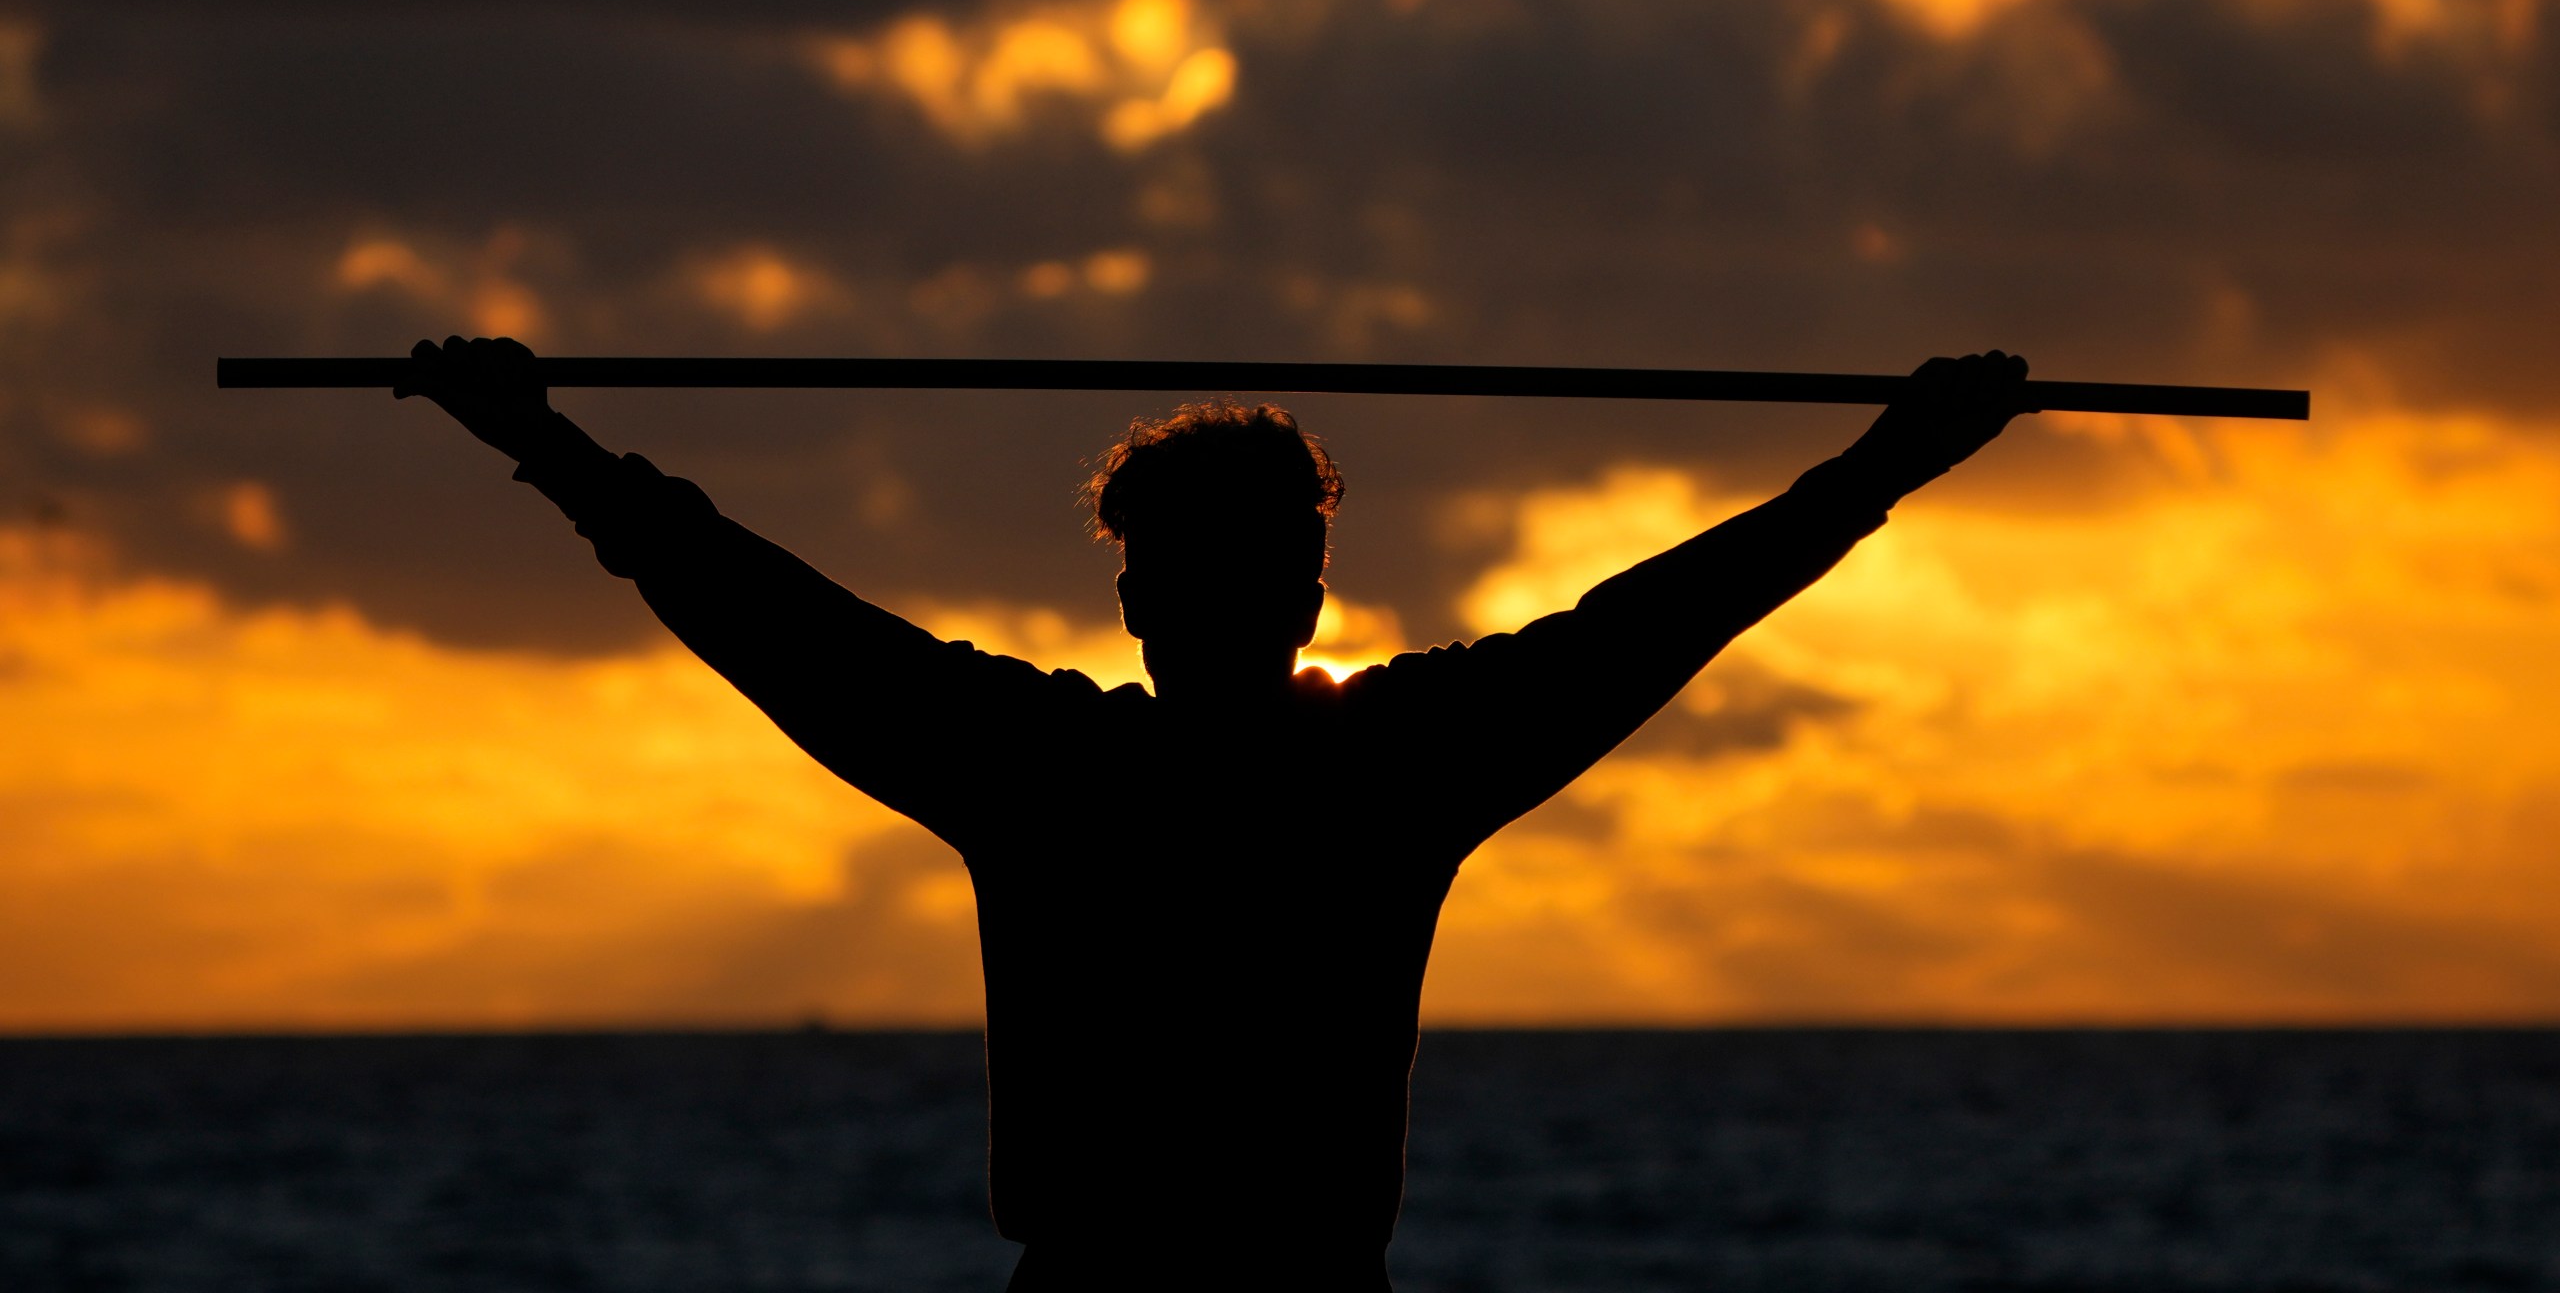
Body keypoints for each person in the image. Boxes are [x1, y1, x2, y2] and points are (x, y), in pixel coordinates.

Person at [400, 337, 2029, 1291]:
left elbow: (751, 602)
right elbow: (1678, 607)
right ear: (1311, 599)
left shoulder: (1039, 764)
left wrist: (540, 444)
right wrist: (1892, 459)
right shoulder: (1399, 760)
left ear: (1131, 606)